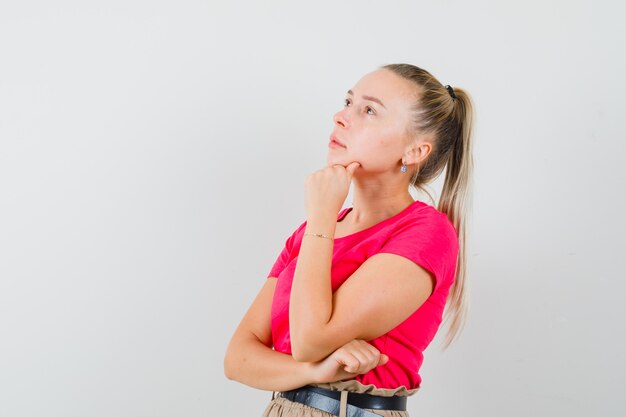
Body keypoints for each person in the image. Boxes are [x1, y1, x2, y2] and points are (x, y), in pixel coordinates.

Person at [224, 63, 475, 417]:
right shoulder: (311, 233)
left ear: (415, 151)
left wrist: (322, 214)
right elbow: (238, 358)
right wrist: (312, 372)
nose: (340, 117)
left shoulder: (426, 233)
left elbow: (310, 339)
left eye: (369, 110)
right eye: (348, 101)